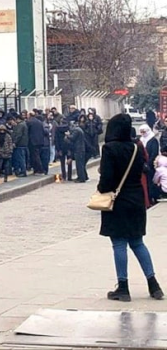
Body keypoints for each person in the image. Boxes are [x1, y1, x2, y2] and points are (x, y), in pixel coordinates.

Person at [98, 114, 163, 302]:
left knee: (119, 243)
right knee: (137, 242)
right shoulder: (136, 147)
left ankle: (123, 287)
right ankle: (154, 285)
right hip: (136, 200)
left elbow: (106, 180)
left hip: (118, 201)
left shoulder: (109, 149)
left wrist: (102, 189)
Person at [140, 124, 160, 203]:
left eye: (144, 132)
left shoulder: (153, 140)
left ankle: (153, 198)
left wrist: (149, 163)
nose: (142, 134)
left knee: (151, 182)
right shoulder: (141, 140)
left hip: (150, 165)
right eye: (141, 132)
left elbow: (154, 153)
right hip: (143, 166)